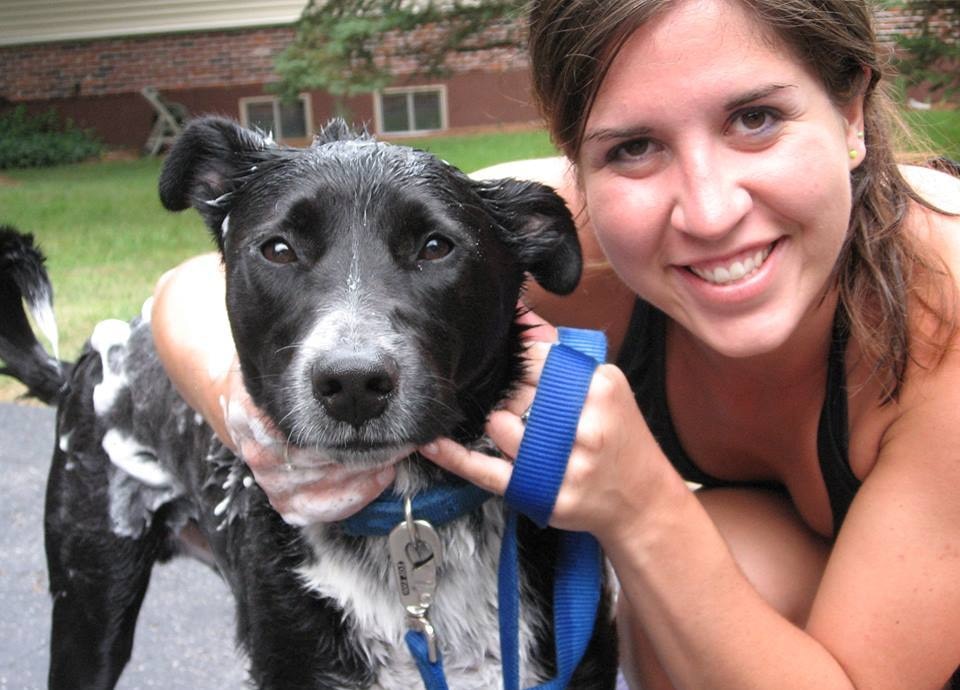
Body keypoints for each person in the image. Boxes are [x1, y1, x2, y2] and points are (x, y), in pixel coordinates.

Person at [152, 0, 960, 686]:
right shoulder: (578, 242)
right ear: (578, 166)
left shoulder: (946, 319)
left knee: (679, 552)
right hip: (807, 567)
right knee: (721, 566)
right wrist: (245, 407)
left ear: (850, 113)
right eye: (633, 147)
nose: (710, 213)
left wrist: (641, 506)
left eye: (756, 119)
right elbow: (188, 287)